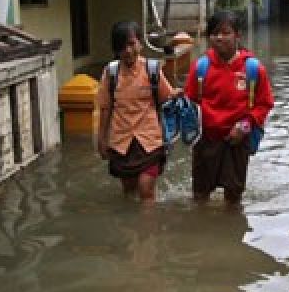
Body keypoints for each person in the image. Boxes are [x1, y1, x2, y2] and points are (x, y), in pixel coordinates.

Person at [183, 10, 274, 205]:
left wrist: (245, 126)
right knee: (200, 197)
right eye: (215, 33)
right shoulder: (200, 67)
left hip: (237, 141)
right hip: (205, 140)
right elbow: (190, 102)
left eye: (225, 33)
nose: (219, 38)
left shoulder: (253, 68)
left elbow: (264, 104)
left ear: (237, 35)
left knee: (233, 199)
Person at [96, 21, 177, 201]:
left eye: (132, 44)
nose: (128, 51)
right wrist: (101, 140)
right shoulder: (111, 73)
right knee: (128, 190)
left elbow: (167, 98)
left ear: (140, 43)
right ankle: (131, 227)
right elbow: (105, 109)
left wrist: (178, 95)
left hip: (150, 140)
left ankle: (147, 229)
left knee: (146, 188)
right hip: (121, 141)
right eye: (122, 46)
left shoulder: (152, 69)